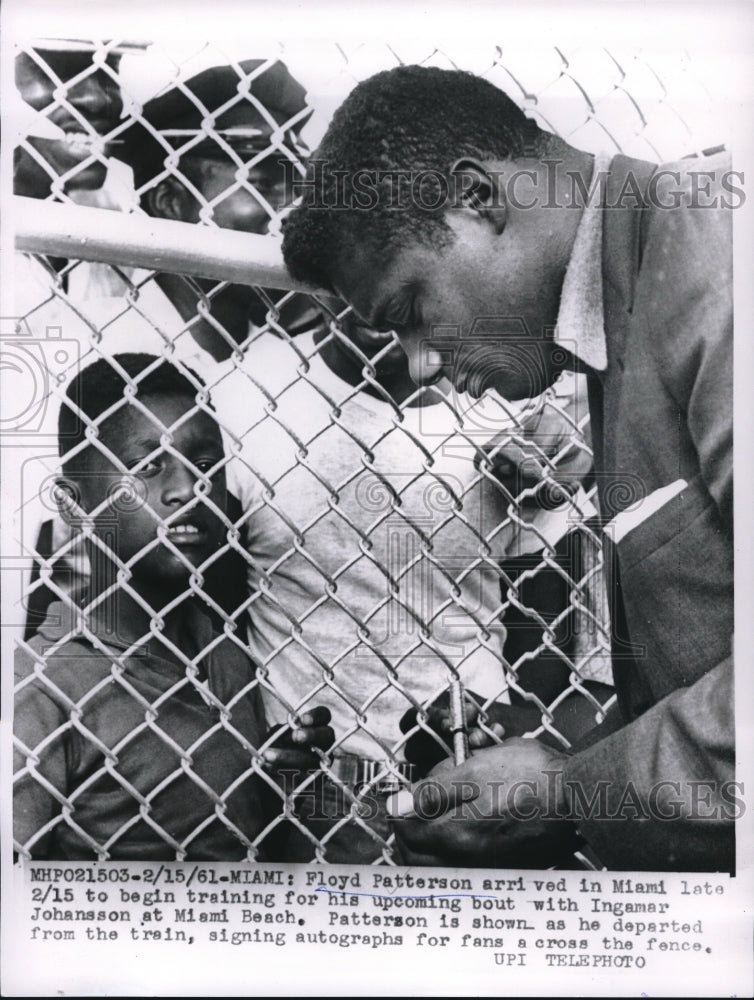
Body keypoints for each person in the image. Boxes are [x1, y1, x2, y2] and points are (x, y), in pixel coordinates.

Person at [281, 65, 734, 871]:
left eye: (412, 312)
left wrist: (573, 794)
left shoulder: (714, 260)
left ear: (478, 199)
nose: (419, 365)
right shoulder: (618, 305)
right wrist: (552, 779)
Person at [213, 298, 611, 863]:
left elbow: (541, 617)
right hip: (310, 785)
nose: (376, 304)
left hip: (468, 775)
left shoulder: (502, 407)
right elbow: (211, 607)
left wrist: (512, 734)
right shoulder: (243, 395)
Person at [13, 353, 332, 860]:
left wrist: (283, 788)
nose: (189, 488)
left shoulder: (223, 645)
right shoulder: (42, 689)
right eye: (148, 466)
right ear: (73, 501)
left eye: (206, 465)